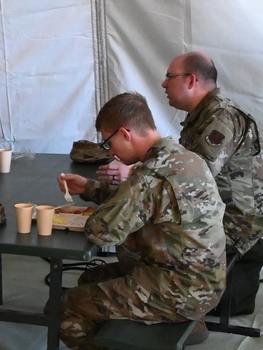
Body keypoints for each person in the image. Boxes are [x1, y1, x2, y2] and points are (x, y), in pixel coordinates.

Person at [60, 92, 226, 350]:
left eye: (109, 143)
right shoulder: (183, 158)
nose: (111, 153)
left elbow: (101, 231)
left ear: (125, 132)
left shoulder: (148, 176)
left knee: (63, 308)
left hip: (178, 289)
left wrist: (98, 205)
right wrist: (92, 189)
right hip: (205, 280)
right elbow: (142, 203)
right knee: (91, 279)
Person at [99, 53, 263, 319]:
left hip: (233, 223)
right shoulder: (203, 116)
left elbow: (191, 181)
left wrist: (136, 171)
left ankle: (160, 302)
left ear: (191, 80)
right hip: (215, 212)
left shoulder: (219, 118)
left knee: (133, 230)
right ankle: (153, 294)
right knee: (138, 215)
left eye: (169, 77)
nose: (164, 84)